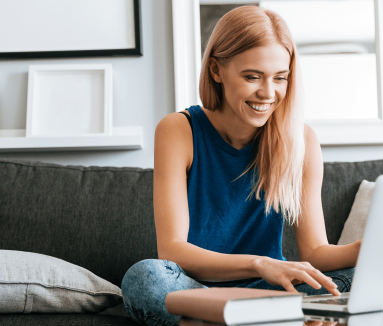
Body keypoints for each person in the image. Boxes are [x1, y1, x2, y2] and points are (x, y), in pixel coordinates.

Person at [121, 5, 362, 326]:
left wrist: (366, 248)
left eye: (280, 78)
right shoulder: (178, 130)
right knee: (145, 277)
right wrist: (260, 264)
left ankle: (233, 320)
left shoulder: (301, 140)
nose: (268, 92)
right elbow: (173, 250)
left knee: (359, 277)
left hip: (270, 291)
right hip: (197, 287)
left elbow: (316, 250)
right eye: (252, 77)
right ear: (216, 70)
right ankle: (267, 319)